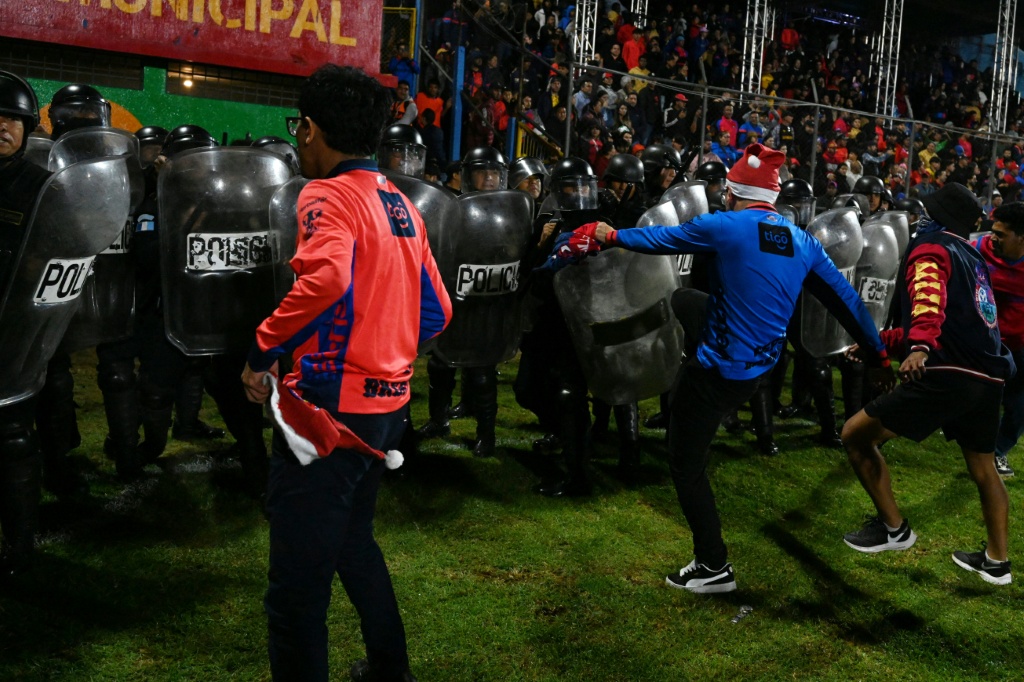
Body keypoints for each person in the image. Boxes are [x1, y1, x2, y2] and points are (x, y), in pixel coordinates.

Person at [580, 144, 894, 592]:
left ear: (733, 193)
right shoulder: (802, 240)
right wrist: (879, 356)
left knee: (684, 463)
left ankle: (713, 566)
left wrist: (609, 235)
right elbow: (847, 302)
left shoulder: (725, 225)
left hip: (720, 372)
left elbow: (660, 239)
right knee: (683, 299)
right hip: (761, 367)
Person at [241, 64, 451, 680]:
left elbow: (327, 280)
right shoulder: (401, 203)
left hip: (327, 414)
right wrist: (385, 349)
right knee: (354, 543)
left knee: (296, 591)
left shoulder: (326, 194)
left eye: (298, 128)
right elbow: (437, 311)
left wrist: (262, 350)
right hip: (387, 408)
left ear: (310, 128)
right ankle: (390, 670)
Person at [842, 183, 1014, 586]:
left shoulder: (932, 248)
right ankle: (997, 562)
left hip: (947, 374)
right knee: (984, 468)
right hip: (986, 379)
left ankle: (894, 529)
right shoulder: (973, 258)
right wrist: (880, 343)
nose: (919, 220)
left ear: (938, 217)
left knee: (855, 435)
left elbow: (927, 301)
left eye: (926, 213)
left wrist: (920, 346)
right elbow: (951, 322)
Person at [0, 70, 50, 577]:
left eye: (13, 119)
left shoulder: (42, 187)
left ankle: (20, 547)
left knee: (14, 435)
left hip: (13, 332)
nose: (3, 126)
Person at [974, 202, 1024, 477]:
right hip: (981, 344)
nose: (992, 237)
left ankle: (998, 451)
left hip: (1018, 347)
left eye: (1001, 234)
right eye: (993, 231)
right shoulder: (978, 250)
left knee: (1019, 407)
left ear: (1021, 238)